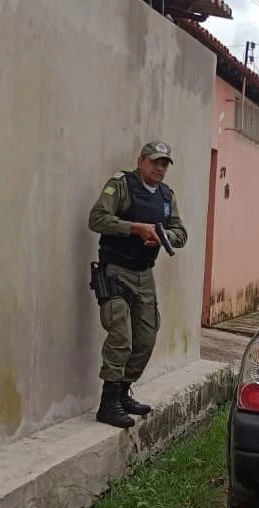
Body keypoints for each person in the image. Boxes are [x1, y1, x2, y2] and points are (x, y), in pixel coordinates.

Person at [88, 141, 188, 428]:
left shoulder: (167, 196)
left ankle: (122, 392)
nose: (160, 168)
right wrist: (134, 228)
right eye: (155, 162)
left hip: (145, 275)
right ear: (141, 161)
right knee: (121, 338)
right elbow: (97, 219)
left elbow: (181, 232)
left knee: (146, 338)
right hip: (116, 271)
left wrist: (161, 235)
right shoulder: (120, 185)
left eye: (165, 164)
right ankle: (107, 404)